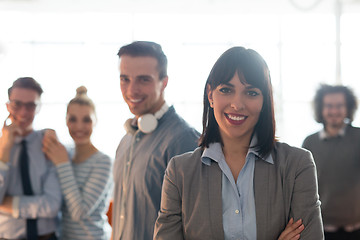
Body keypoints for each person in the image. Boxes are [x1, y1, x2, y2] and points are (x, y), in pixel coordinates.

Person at [154, 47, 324, 240]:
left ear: (264, 100)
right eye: (226, 90)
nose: (237, 104)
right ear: (210, 95)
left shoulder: (297, 165)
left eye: (251, 93)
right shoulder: (180, 172)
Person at [112, 41, 199, 240]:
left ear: (164, 82)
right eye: (125, 79)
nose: (131, 90)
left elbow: (196, 226)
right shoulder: (126, 140)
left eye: (143, 80)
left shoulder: (184, 140)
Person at [42, 86, 113, 240]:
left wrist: (62, 164)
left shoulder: (103, 162)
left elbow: (79, 212)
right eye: (73, 119)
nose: (79, 126)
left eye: (86, 120)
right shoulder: (66, 154)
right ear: (66, 121)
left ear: (95, 121)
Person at [0, 77, 61, 240]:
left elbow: (52, 205)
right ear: (7, 106)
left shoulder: (48, 143)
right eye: (17, 104)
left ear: (38, 107)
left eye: (31, 105)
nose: (23, 112)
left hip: (46, 237)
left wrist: (8, 204)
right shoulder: (0, 148)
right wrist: (4, 152)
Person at [302, 84, 360, 239]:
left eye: (339, 106)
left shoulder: (358, 137)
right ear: (321, 108)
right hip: (321, 227)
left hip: (355, 227)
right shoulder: (309, 142)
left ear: (348, 108)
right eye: (329, 106)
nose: (334, 111)